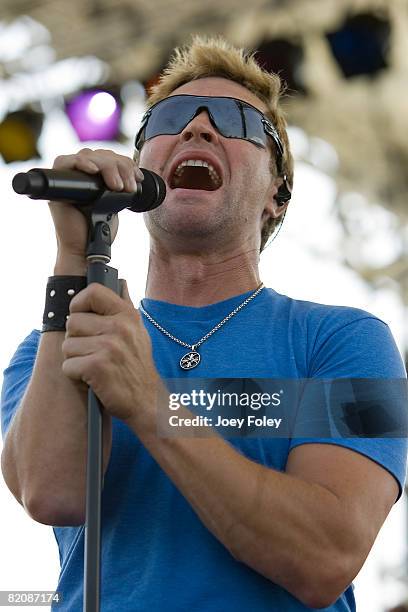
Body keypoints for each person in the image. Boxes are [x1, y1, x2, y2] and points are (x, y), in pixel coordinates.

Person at [1, 35, 407, 612]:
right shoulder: (59, 342)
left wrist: (150, 402)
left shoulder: (350, 341)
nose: (197, 128)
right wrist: (72, 260)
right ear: (138, 171)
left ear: (277, 195)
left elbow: (325, 556)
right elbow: (52, 494)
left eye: (236, 120)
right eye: (169, 118)